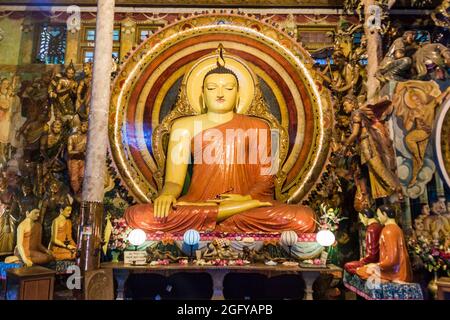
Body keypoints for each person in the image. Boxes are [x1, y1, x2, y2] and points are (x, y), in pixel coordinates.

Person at [125, 49, 316, 234]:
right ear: (203, 94)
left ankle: (222, 215)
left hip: (245, 208)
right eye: (212, 88)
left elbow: (267, 179)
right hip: (199, 203)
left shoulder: (260, 127)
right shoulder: (184, 126)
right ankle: (222, 214)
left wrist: (246, 199)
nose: (220, 93)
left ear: (238, 94)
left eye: (228, 88)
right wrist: (167, 194)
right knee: (137, 216)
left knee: (304, 218)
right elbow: (174, 181)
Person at [356, 205, 412, 283]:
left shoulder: (389, 230)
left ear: (385, 214)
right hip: (396, 268)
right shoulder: (397, 228)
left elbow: (391, 259)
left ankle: (385, 279)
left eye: (379, 216)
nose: (378, 218)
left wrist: (376, 265)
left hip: (394, 271)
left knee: (360, 270)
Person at [344, 208, 383, 274]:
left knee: (347, 266)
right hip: (377, 259)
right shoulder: (379, 226)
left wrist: (364, 260)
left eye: (361, 218)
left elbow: (372, 255)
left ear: (365, 216)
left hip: (374, 261)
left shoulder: (372, 229)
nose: (361, 221)